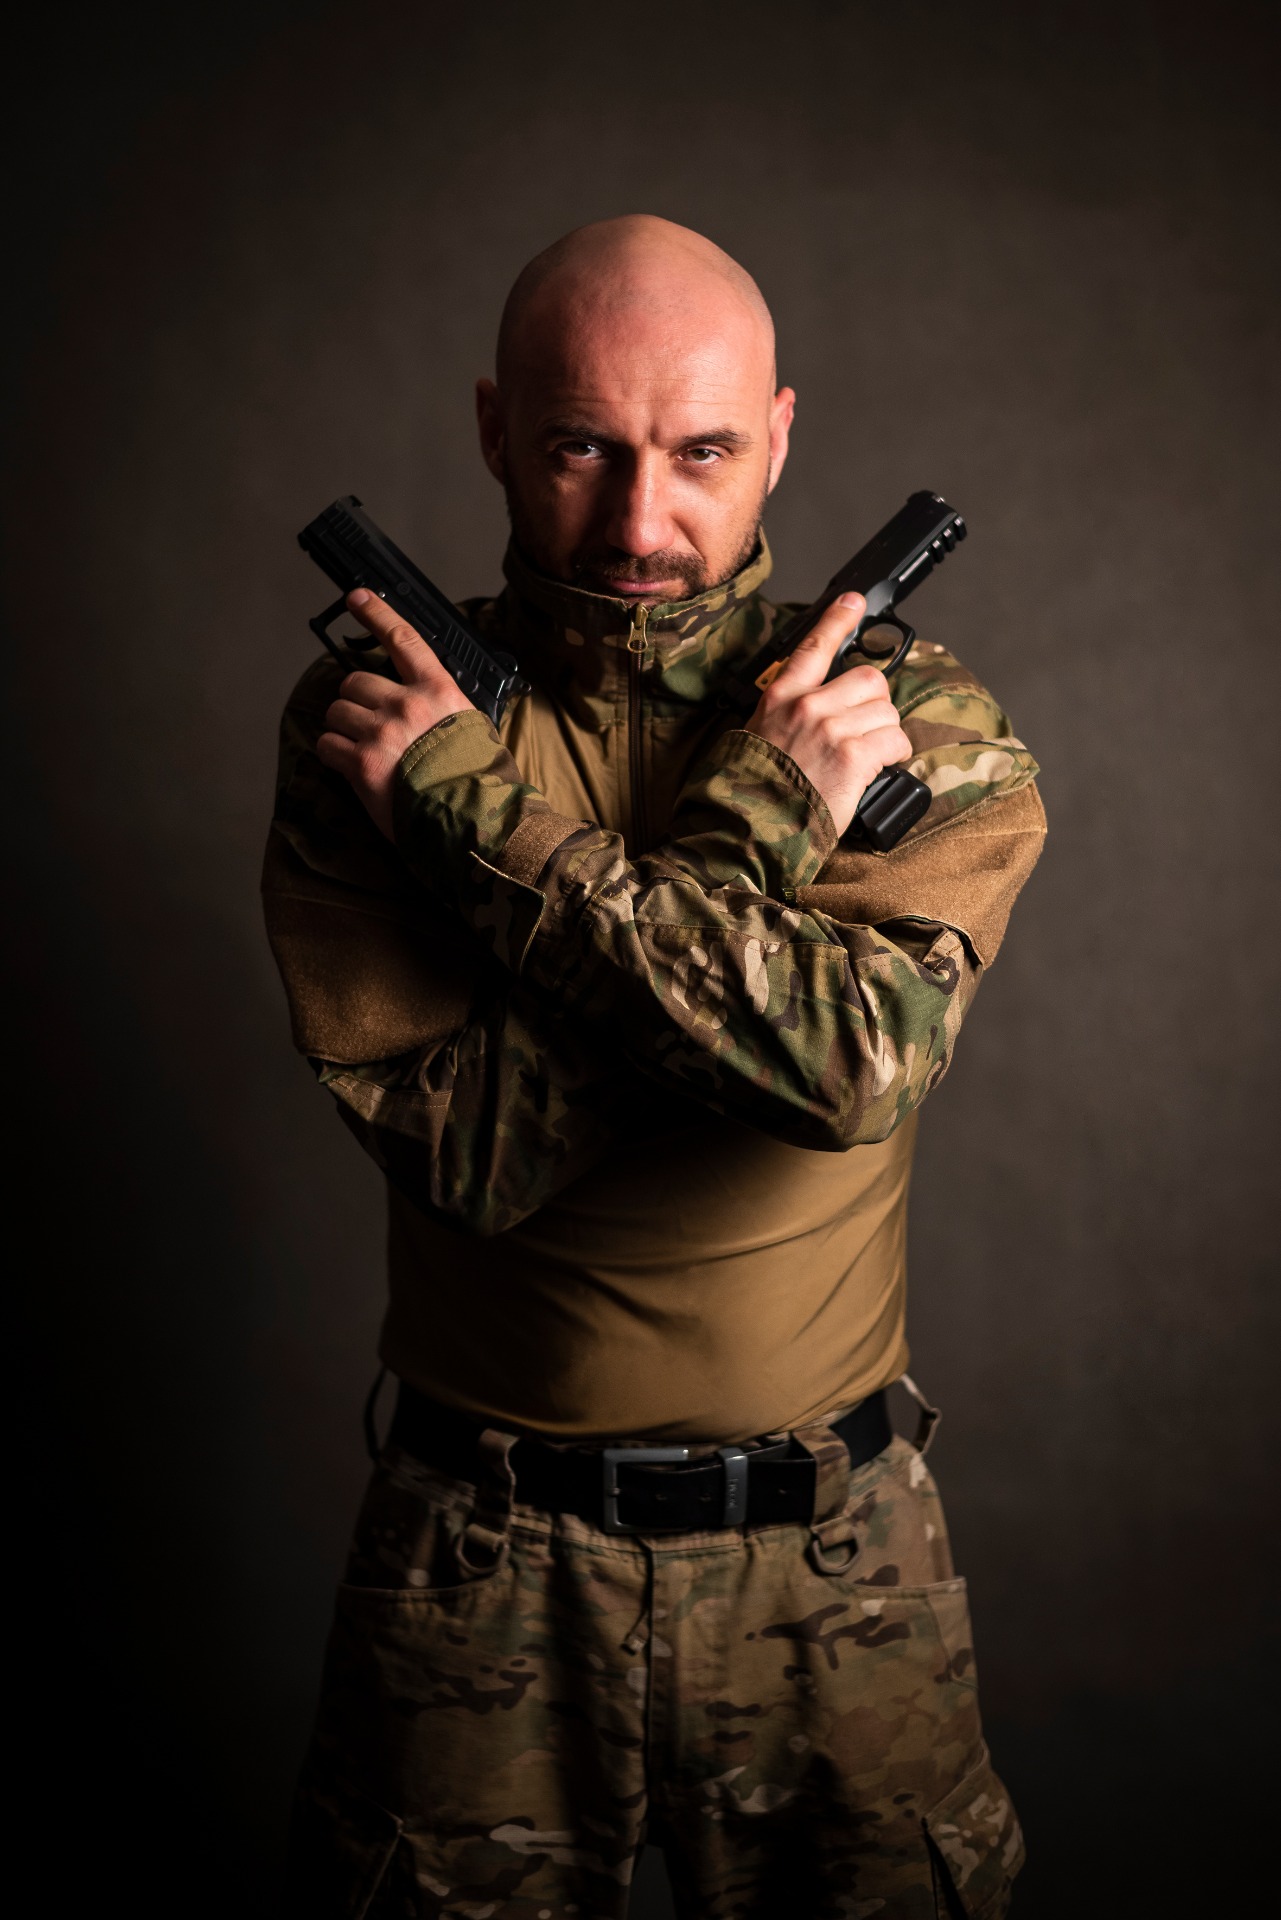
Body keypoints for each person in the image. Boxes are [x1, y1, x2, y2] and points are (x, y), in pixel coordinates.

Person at [264, 214, 1045, 1919]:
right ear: (495, 432)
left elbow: (846, 1071)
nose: (638, 524)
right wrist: (749, 855)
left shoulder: (897, 728)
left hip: (835, 1570)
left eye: (698, 453)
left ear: (777, 436)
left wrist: (478, 826)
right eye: (579, 449)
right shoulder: (375, 729)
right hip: (475, 1563)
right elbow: (469, 1156)